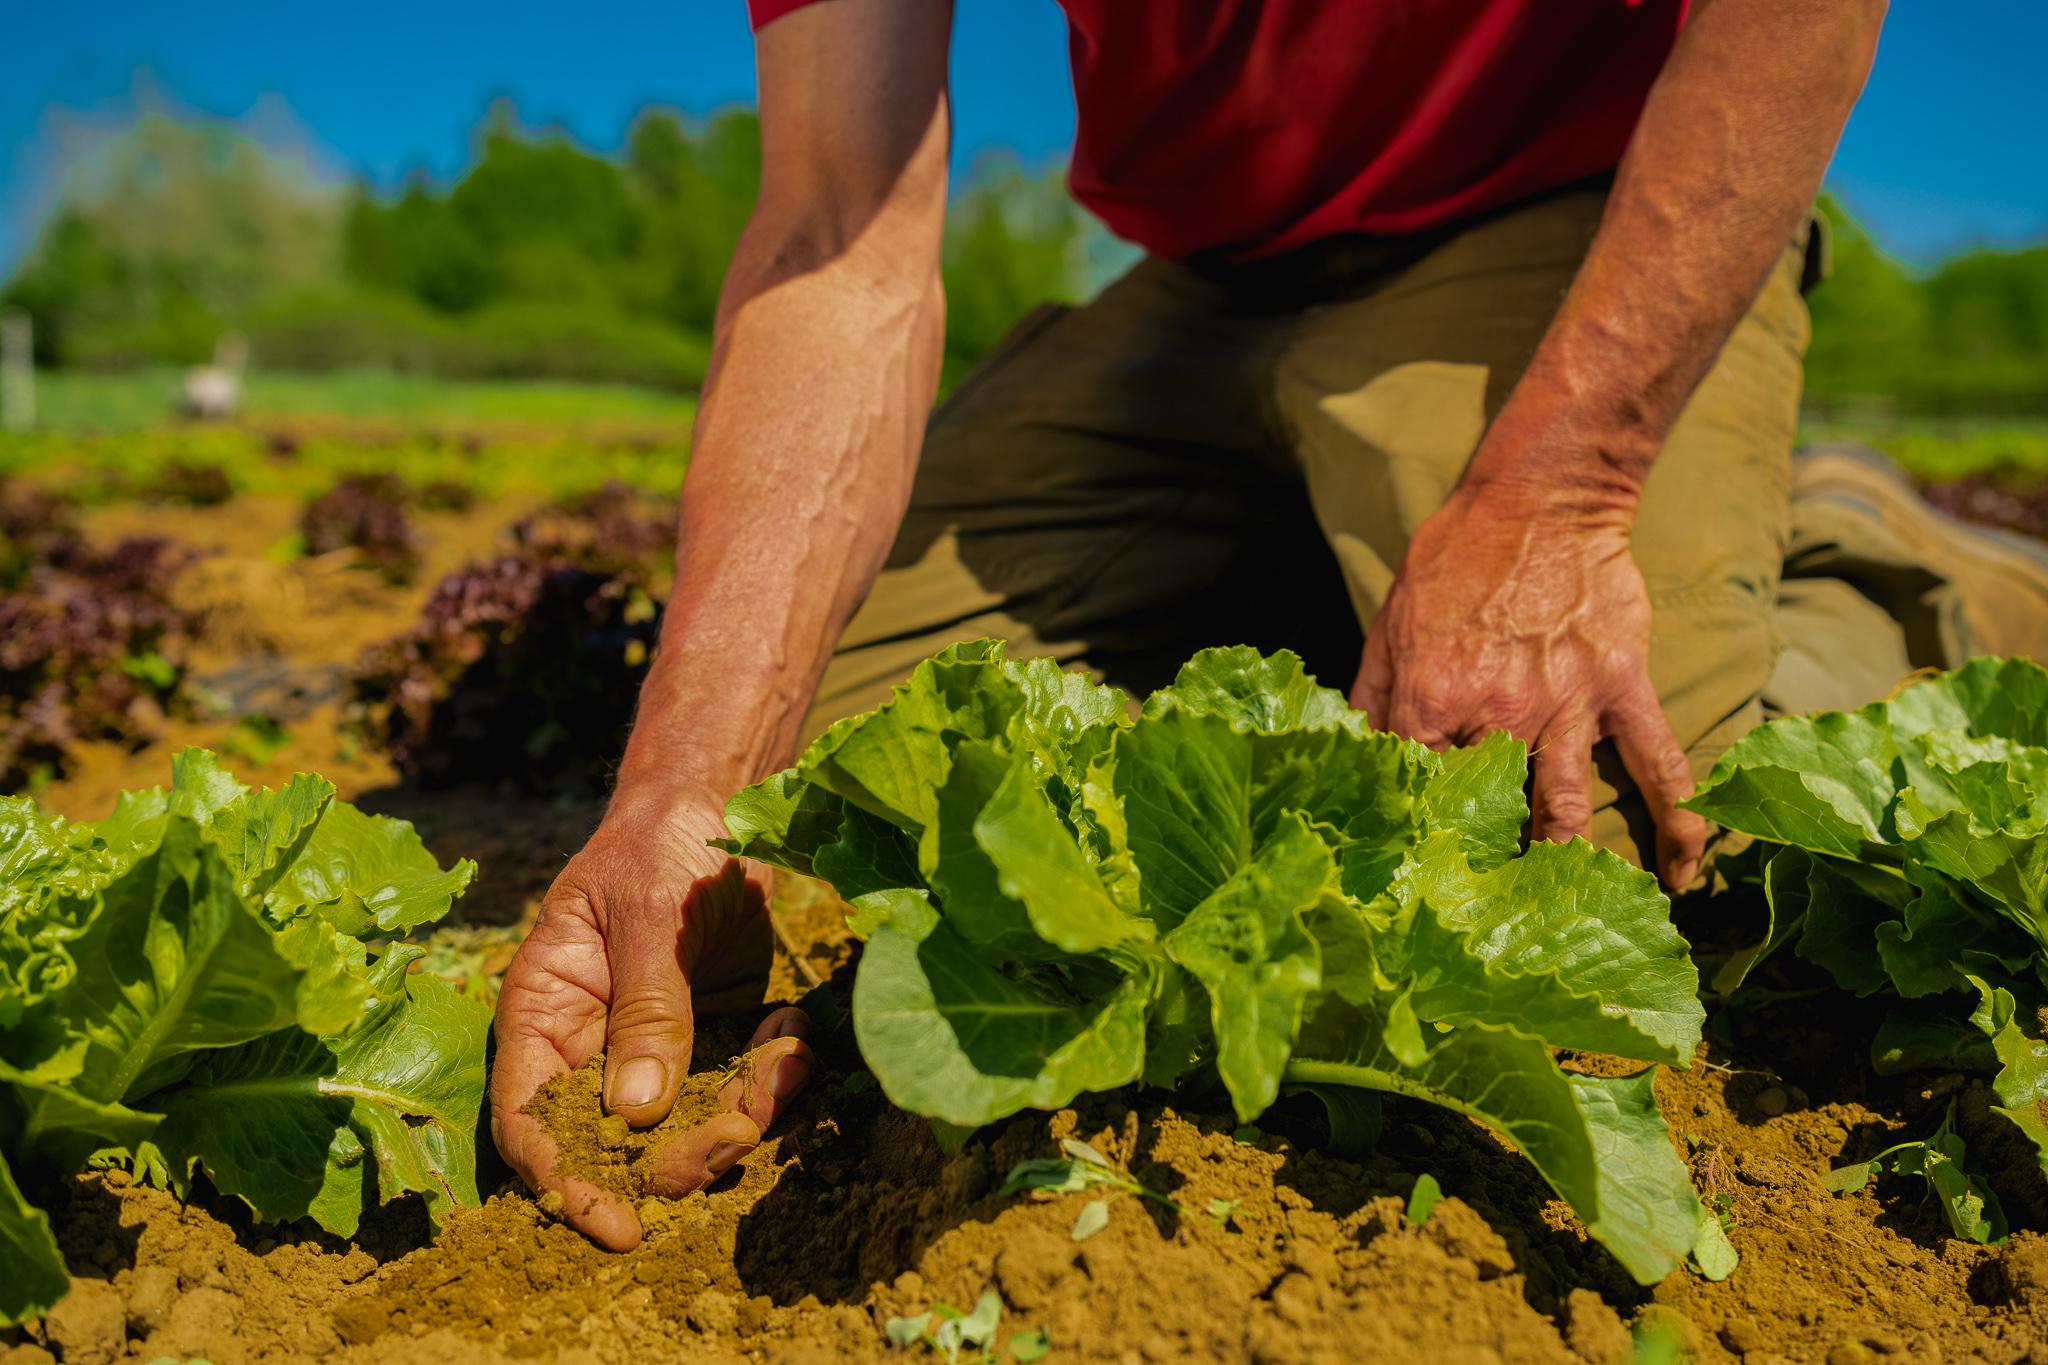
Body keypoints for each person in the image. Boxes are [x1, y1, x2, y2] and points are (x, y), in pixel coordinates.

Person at [491, 0, 2048, 1250]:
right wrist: (688, 787)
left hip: (1580, 213)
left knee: (1621, 859)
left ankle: (1878, 562)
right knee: (827, 808)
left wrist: (1561, 495)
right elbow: (838, 229)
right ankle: (1344, 555)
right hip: (1207, 279)